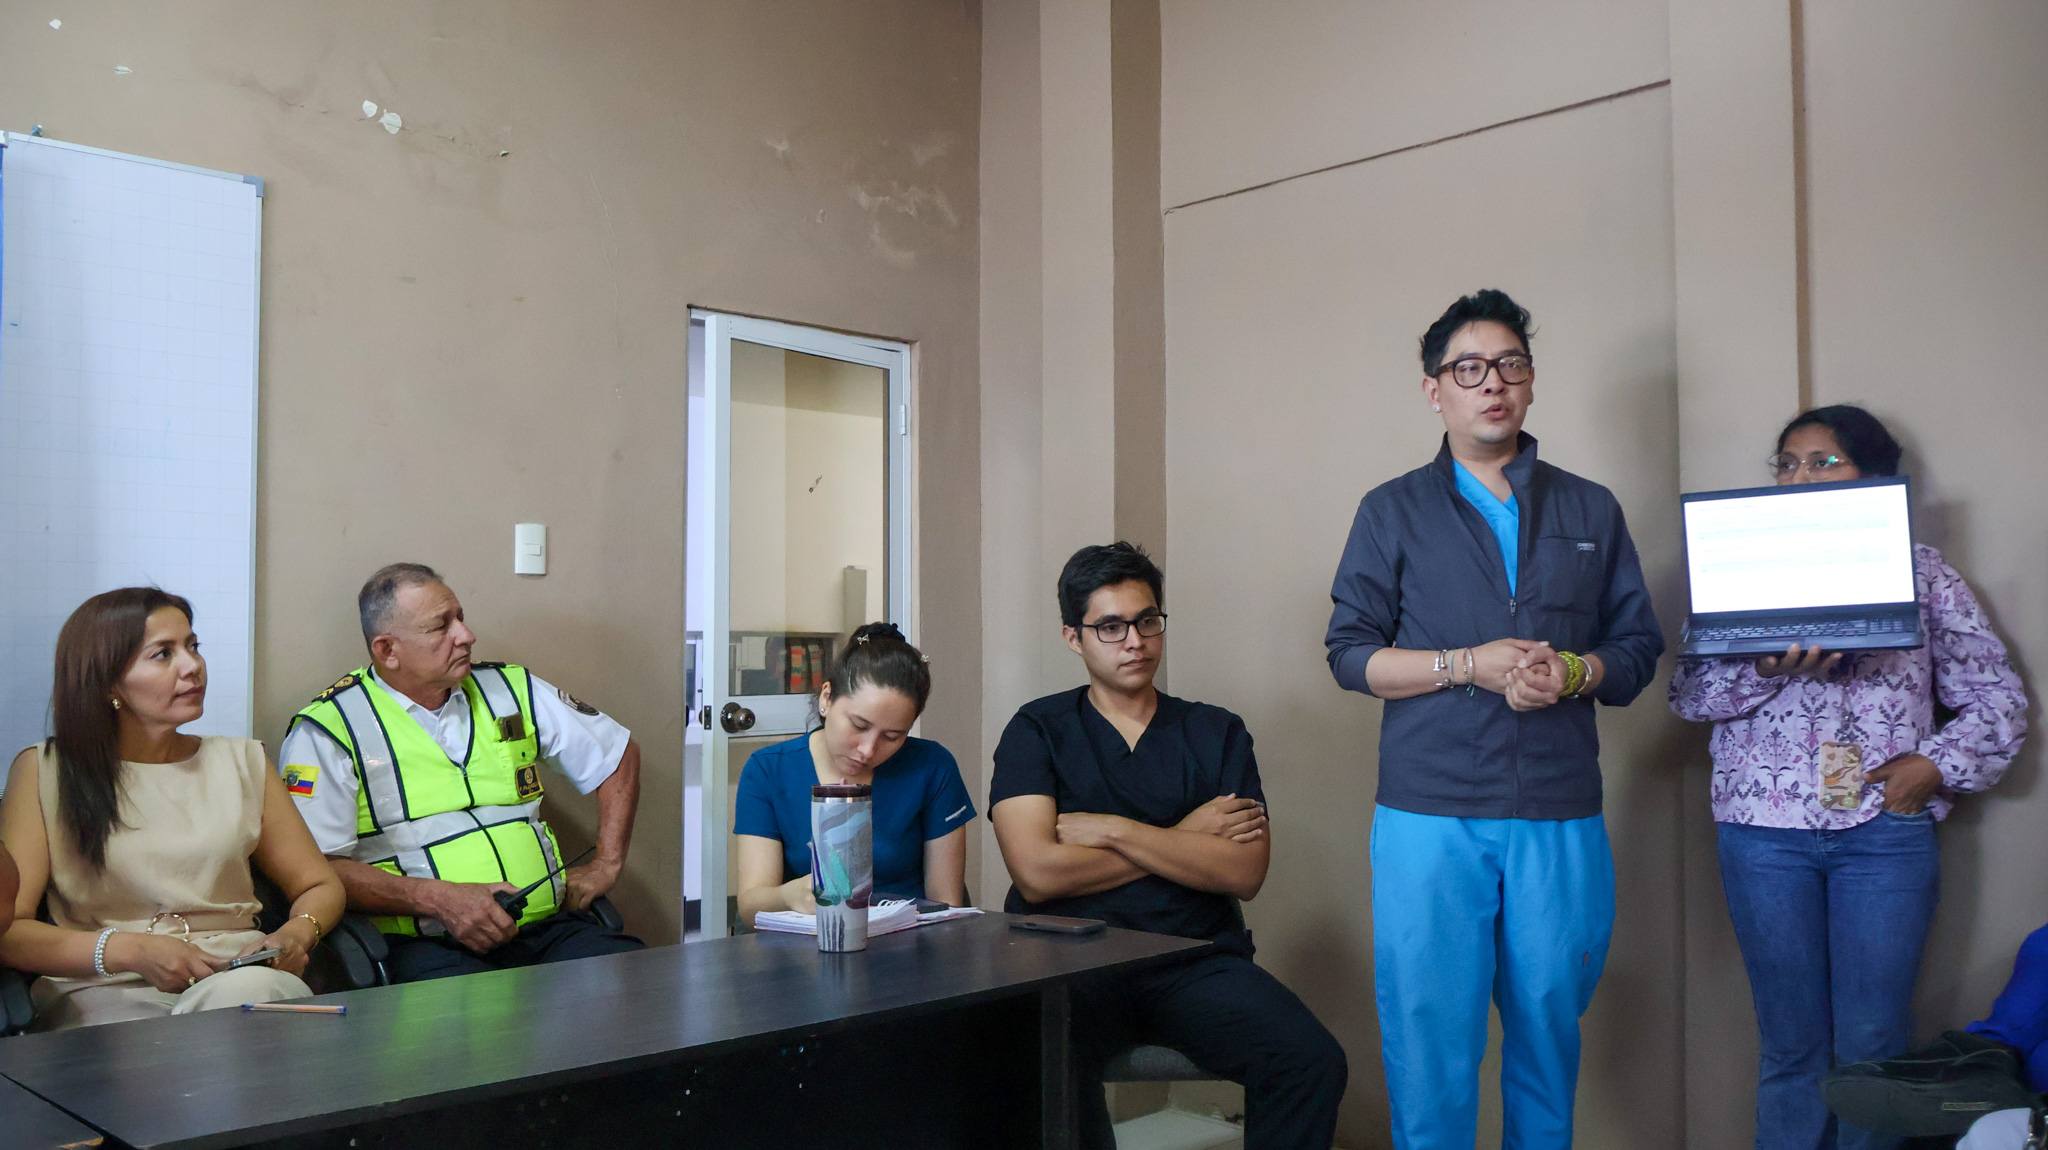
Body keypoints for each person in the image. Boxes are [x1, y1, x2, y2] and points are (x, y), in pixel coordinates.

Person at [1323, 289, 1664, 1149]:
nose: (1492, 384)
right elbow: (1351, 655)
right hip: (1430, 813)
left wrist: (1574, 671)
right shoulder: (1392, 509)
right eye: (1468, 368)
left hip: (1557, 809)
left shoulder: (1590, 508)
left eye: (1510, 365)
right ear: (1434, 390)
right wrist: (1462, 665)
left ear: (1532, 381)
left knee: (1549, 1032)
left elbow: (1635, 649)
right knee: (1431, 1042)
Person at [1670, 404, 2027, 1150]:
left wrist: (1933, 766)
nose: (1799, 476)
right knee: (1790, 1045)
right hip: (1762, 833)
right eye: (1787, 463)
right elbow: (1689, 698)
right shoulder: (1739, 573)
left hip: (1882, 836)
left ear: (1875, 476)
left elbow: (1998, 700)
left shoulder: (1924, 574)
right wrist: (1764, 670)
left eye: (1823, 461)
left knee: (1873, 1044)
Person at [991, 542, 1346, 1150]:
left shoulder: (1215, 731)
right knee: (1036, 1060)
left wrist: (1115, 829)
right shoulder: (1037, 729)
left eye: (1147, 620)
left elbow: (1244, 871)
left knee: (1310, 1061)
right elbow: (1038, 873)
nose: (1135, 641)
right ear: (1074, 637)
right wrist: (1186, 839)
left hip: (1193, 961)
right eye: (1111, 627)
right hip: (1068, 962)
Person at [279, 563, 644, 983]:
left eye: (461, 618)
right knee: (483, 1020)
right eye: (441, 626)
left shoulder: (509, 689)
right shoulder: (331, 728)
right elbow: (319, 869)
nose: (466, 635)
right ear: (387, 650)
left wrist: (607, 863)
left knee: (638, 984)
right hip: (424, 946)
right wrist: (438, 899)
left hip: (547, 930)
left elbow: (616, 753)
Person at [0, 588, 345, 1029]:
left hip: (236, 975)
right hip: (105, 989)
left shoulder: (243, 761)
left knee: (243, 1001)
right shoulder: (44, 770)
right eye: (163, 654)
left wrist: (297, 933)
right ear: (107, 682)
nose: (192, 666)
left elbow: (319, 884)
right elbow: (10, 929)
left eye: (193, 647)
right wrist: (128, 949)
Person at [734, 623, 972, 923]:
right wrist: (789, 896)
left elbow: (946, 905)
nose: (868, 750)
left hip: (912, 939)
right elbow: (750, 906)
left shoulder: (932, 767)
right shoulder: (769, 770)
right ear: (826, 698)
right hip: (812, 941)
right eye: (859, 725)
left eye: (892, 736)